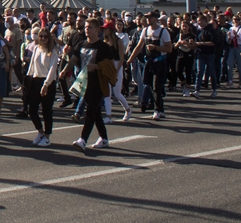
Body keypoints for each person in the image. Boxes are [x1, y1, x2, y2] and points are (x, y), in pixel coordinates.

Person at [72, 21, 118, 152]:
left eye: (90, 27)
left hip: (98, 83)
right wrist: (64, 70)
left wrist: (97, 66)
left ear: (97, 30)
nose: (87, 30)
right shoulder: (81, 44)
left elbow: (110, 66)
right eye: (86, 27)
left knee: (90, 111)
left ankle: (83, 139)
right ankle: (103, 138)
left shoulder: (103, 47)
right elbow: (74, 59)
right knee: (96, 112)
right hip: (84, 83)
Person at [129, 12, 171, 119]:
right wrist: (130, 58)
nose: (148, 19)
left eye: (150, 17)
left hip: (160, 62)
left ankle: (157, 110)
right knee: (148, 85)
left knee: (156, 86)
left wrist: (156, 48)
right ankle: (160, 109)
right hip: (149, 62)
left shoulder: (163, 31)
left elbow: (169, 48)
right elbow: (139, 46)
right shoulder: (145, 30)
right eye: (147, 17)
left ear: (156, 18)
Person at [25, 27, 60, 146]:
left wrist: (46, 84)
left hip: (48, 82)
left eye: (45, 36)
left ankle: (47, 136)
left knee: (47, 111)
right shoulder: (36, 48)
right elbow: (32, 66)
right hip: (35, 80)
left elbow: (52, 69)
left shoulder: (53, 51)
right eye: (41, 36)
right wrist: (28, 78)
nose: (43, 38)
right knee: (32, 109)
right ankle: (40, 132)